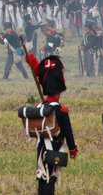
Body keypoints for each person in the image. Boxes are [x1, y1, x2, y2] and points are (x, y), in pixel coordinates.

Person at [24, 53, 78, 194]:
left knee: (42, 177)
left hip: (41, 149)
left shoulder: (38, 108)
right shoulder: (61, 110)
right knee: (50, 179)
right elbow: (68, 132)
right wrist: (73, 149)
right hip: (54, 149)